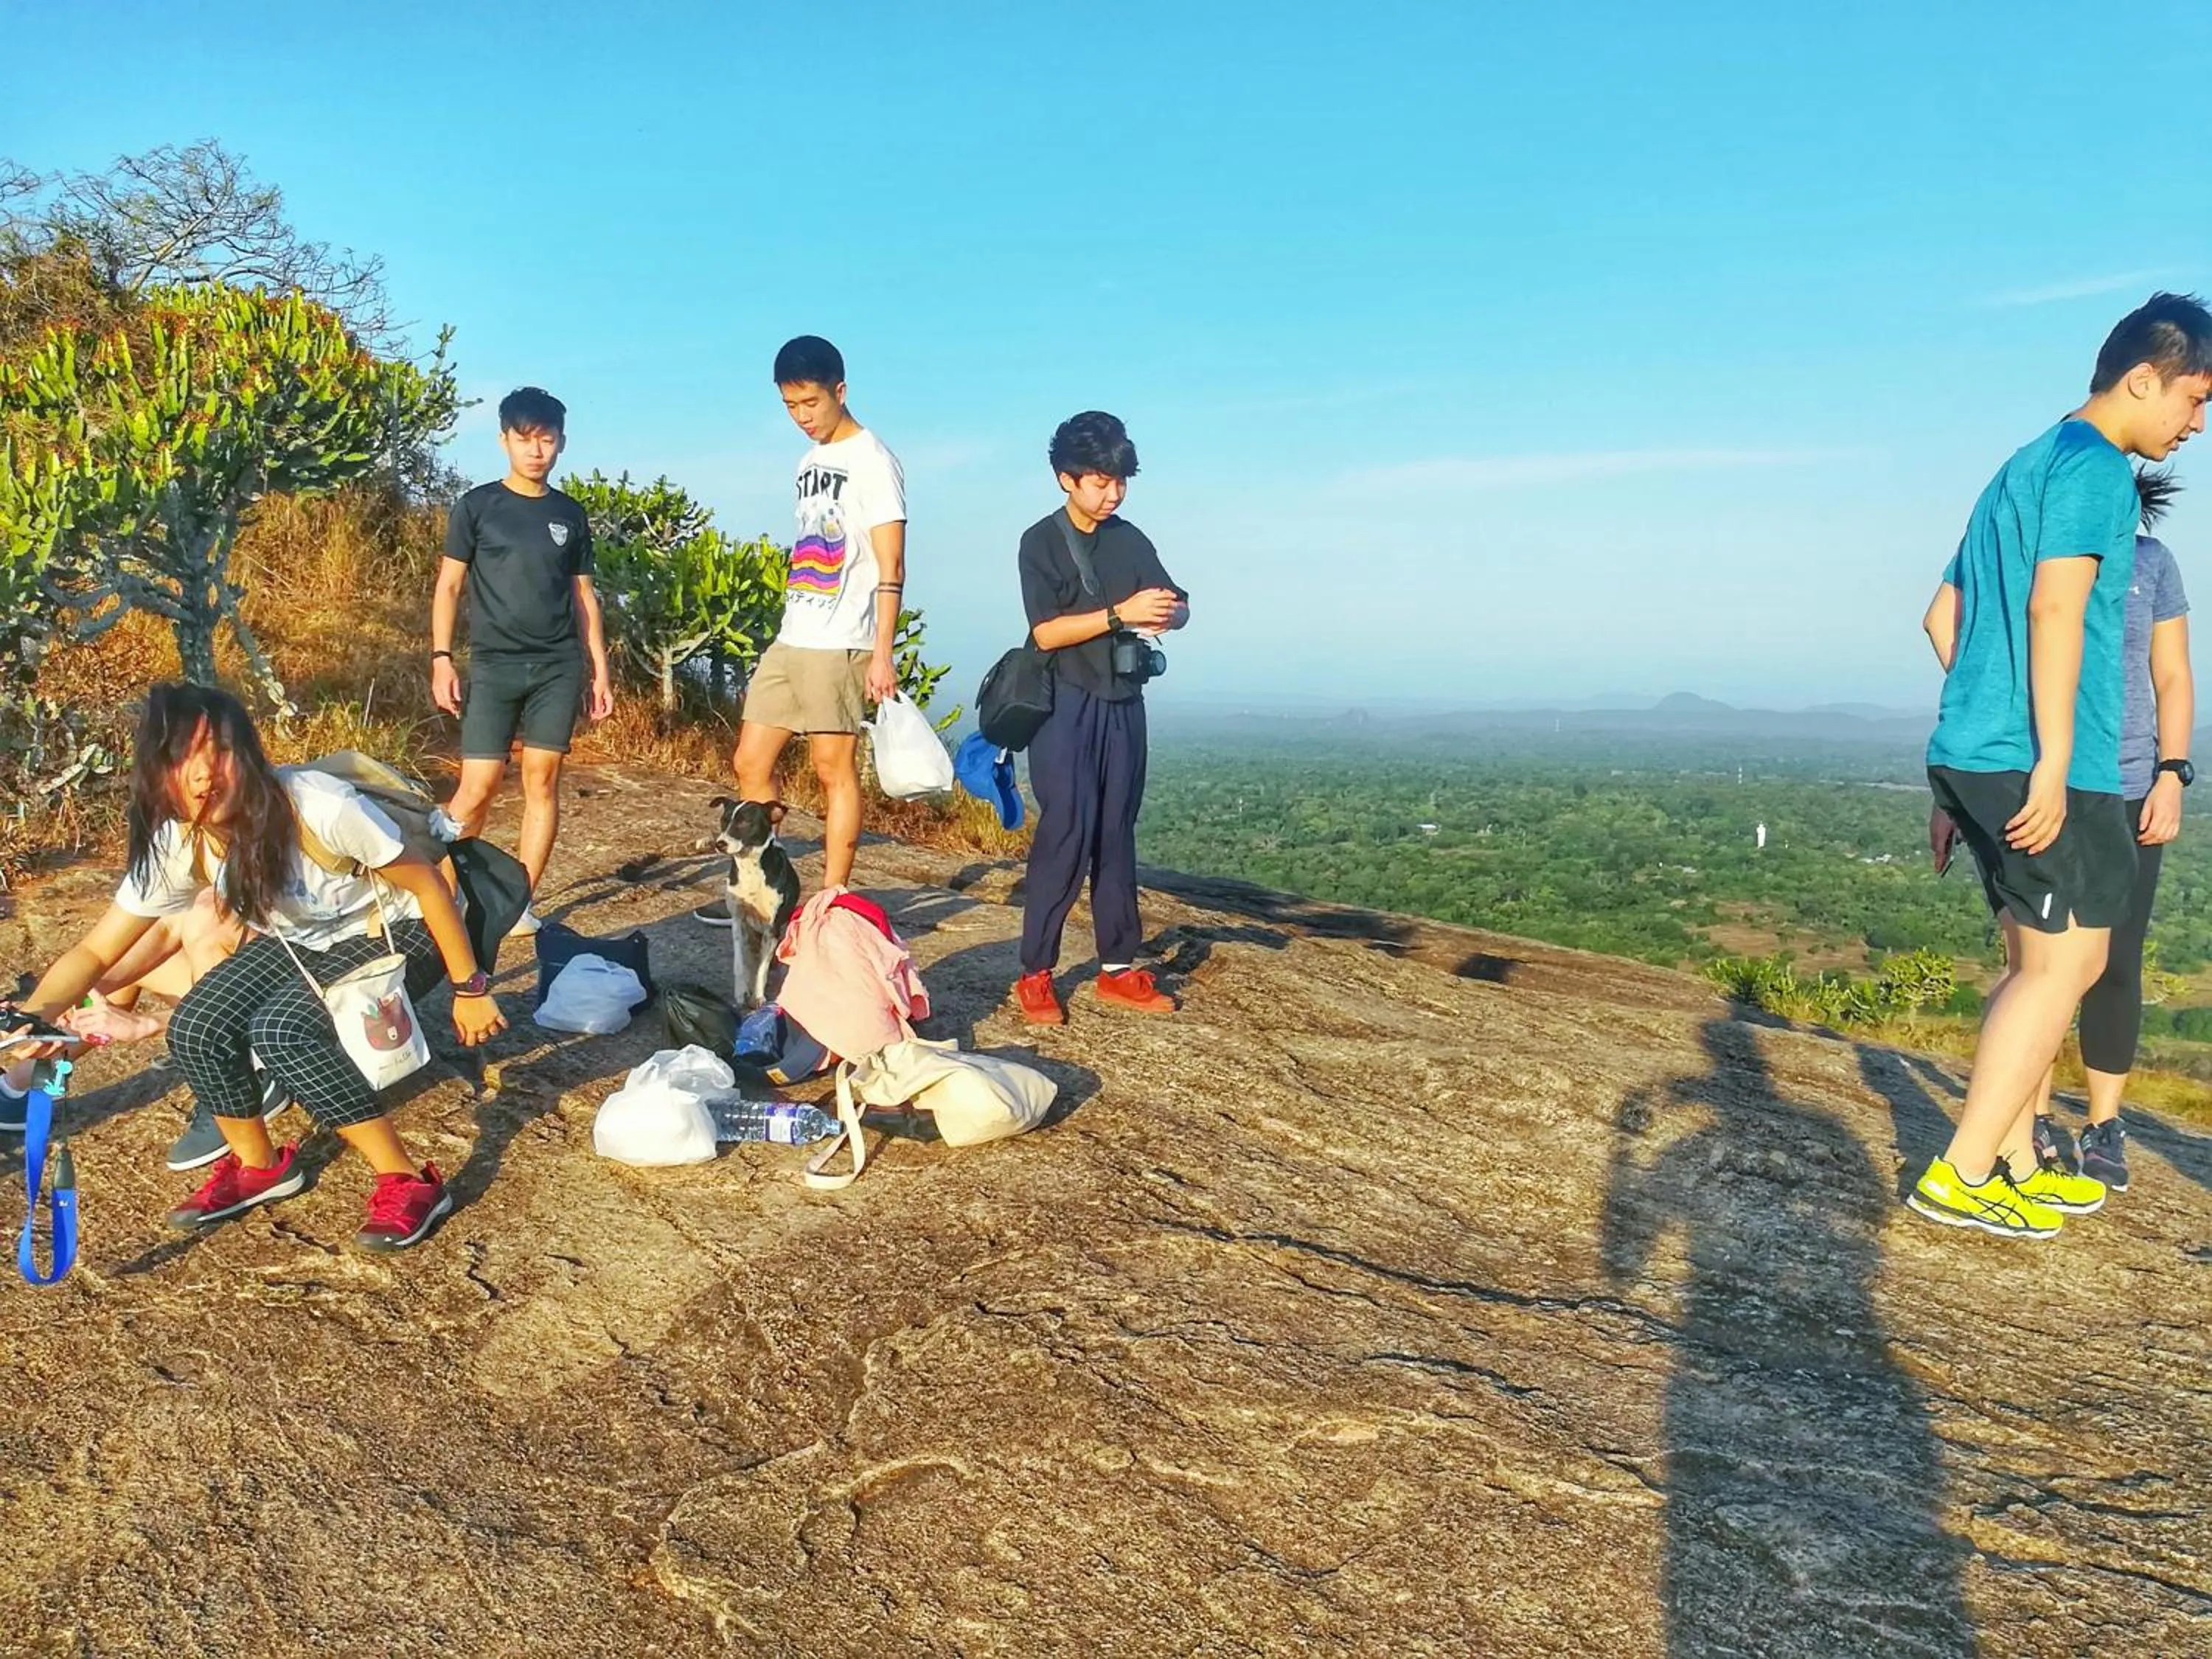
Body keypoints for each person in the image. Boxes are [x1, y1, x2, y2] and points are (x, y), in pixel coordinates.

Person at [4, 684, 508, 1251]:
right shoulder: (180, 841)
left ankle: (407, 1181)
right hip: (304, 940)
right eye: (180, 760)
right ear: (156, 775)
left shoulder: (318, 804)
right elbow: (96, 952)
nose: (202, 776)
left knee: (285, 1029)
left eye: (217, 751)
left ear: (249, 754)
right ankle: (259, 1167)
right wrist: (32, 1017)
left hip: (400, 929)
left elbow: (430, 886)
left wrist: (470, 987)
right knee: (198, 1022)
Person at [1911, 292, 2210, 1239]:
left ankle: (2008, 1158)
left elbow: (1941, 618)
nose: (2196, 425)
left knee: (2063, 957)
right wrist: (2042, 762)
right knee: (2064, 963)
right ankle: (1961, 1172)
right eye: (2195, 401)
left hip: (1983, 752)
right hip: (2048, 762)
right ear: (2143, 378)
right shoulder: (2094, 471)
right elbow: (2053, 611)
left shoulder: (2024, 463)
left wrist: (1973, 737)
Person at [1927, 467, 2193, 1196]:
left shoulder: (2147, 563)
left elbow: (2171, 674)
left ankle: (2095, 1126)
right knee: (2045, 965)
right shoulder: (2050, 557)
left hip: (2129, 782)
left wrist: (2173, 770)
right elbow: (1946, 624)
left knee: (2095, 962)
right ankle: (2019, 1134)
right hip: (2050, 780)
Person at [698, 337, 905, 920]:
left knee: (830, 770)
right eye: (790, 406)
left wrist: (882, 651)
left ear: (840, 391)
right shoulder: (808, 462)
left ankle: (830, 899)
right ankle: (759, 884)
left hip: (842, 641)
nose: (802, 417)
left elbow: (892, 564)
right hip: (795, 633)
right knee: (749, 762)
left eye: (810, 402)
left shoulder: (874, 460)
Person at [1012, 411, 1191, 1024]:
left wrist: (1171, 614)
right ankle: (1035, 972)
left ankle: (1118, 967)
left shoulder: (1130, 540)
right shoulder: (1039, 542)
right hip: (1062, 703)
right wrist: (1120, 614)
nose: (1112, 492)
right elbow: (1047, 630)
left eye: (1120, 480)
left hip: (1123, 702)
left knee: (1117, 832)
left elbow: (1176, 602)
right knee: (1066, 831)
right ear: (1066, 478)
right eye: (1099, 480)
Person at [432, 387, 614, 934]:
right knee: (478, 786)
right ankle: (442, 896)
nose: (536, 450)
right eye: (524, 438)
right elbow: (448, 587)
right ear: (504, 440)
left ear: (561, 444)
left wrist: (599, 668)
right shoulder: (478, 506)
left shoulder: (569, 514)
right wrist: (441, 658)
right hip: (493, 665)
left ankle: (517, 903)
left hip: (557, 666)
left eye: (546, 439)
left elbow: (585, 598)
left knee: (542, 780)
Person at [0, 887, 301, 1172]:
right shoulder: (201, 848)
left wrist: (151, 1023)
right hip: (263, 982)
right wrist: (73, 997)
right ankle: (16, 1087)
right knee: (148, 941)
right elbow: (151, 933)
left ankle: (239, 1078)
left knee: (211, 912)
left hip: (305, 999)